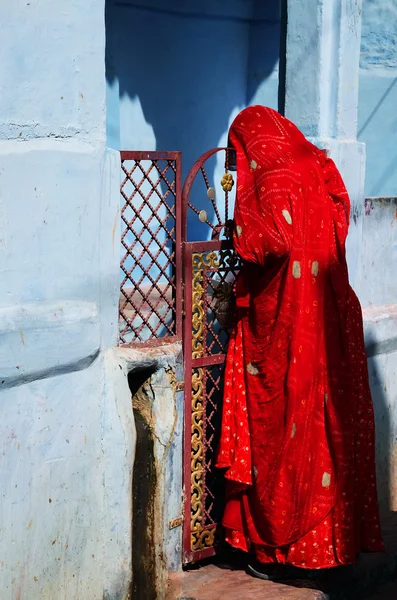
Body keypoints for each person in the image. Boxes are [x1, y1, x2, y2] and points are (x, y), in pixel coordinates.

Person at [216, 106, 384, 579]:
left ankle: (282, 551)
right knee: (325, 431)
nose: (237, 165)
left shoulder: (271, 178)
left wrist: (236, 229)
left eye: (236, 154)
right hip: (327, 322)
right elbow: (336, 219)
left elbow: (265, 242)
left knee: (283, 430)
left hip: (285, 325)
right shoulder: (317, 165)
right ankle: (330, 549)